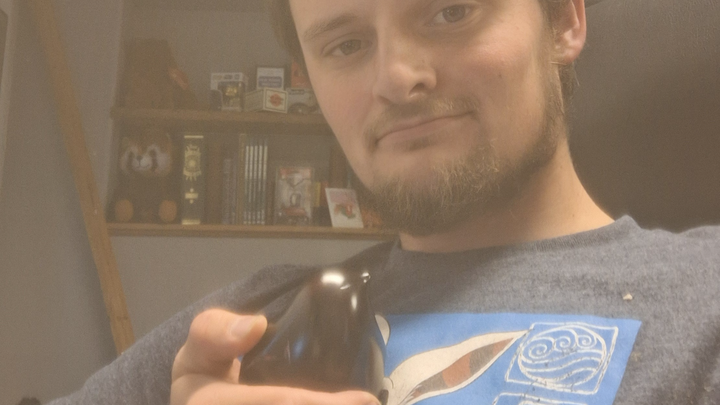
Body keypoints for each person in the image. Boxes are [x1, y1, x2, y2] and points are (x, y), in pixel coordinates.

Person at [49, 0, 720, 404]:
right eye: (345, 44)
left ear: (565, 20)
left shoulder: (702, 301)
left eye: (451, 12)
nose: (397, 78)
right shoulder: (251, 324)